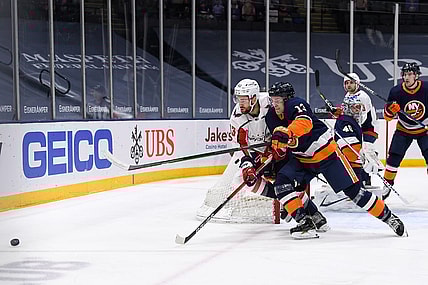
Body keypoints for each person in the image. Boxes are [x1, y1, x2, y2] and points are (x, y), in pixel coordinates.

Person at [265, 81, 407, 239]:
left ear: (287, 99)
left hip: (326, 154)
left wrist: (288, 133)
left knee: (356, 193)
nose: (274, 104)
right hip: (302, 158)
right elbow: (282, 144)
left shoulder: (297, 104)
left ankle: (389, 218)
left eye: (277, 100)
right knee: (281, 182)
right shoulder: (271, 117)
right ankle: (306, 223)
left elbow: (304, 123)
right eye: (272, 100)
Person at [230, 78, 329, 231]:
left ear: (254, 98)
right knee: (242, 179)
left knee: (286, 184)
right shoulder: (236, 118)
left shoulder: (269, 103)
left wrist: (283, 143)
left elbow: (289, 120)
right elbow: (241, 147)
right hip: (261, 154)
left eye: (243, 99)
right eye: (238, 99)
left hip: (284, 148)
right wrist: (248, 165)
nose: (239, 103)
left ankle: (310, 216)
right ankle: (305, 211)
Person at [382, 62, 428, 199]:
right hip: (404, 129)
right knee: (393, 157)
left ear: (416, 75)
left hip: (423, 129)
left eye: (409, 74)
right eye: (404, 74)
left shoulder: (426, 88)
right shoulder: (396, 91)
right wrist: (390, 110)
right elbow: (387, 117)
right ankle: (387, 184)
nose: (406, 77)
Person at [342, 73, 378, 187]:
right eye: (346, 83)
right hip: (356, 129)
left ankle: (365, 180)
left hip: (368, 129)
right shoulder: (347, 96)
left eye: (351, 82)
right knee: (355, 154)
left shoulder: (362, 96)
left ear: (357, 83)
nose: (348, 85)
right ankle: (360, 180)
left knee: (363, 154)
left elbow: (363, 118)